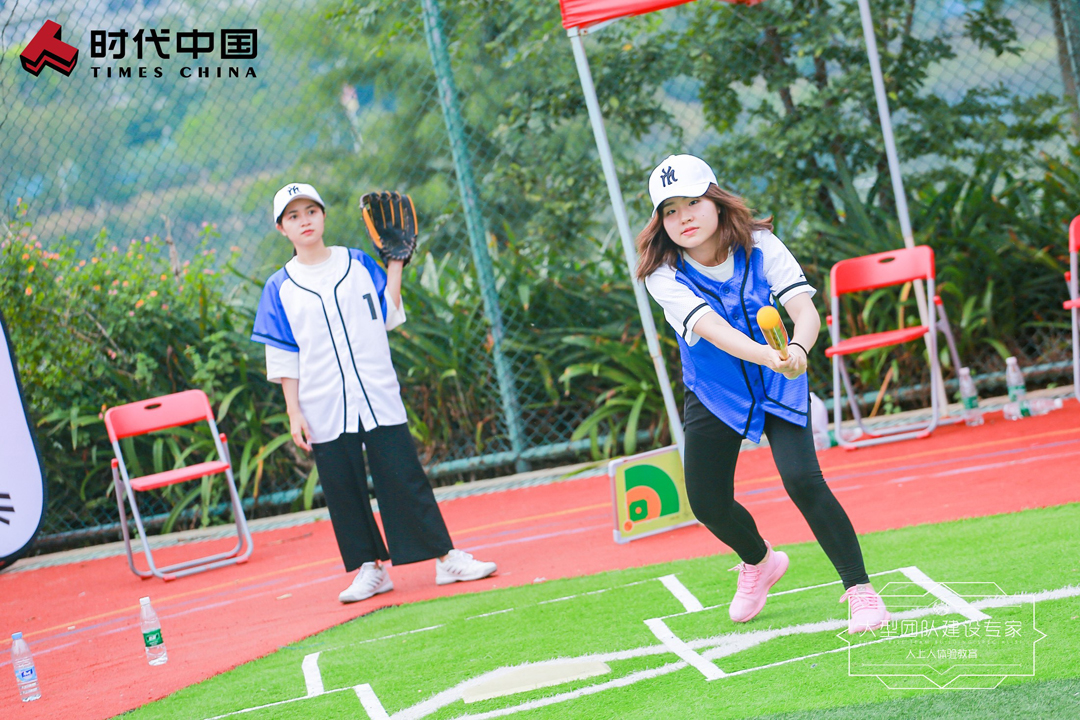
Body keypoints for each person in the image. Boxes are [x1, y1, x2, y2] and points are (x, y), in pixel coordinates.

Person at [637, 155, 889, 633]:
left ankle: (861, 591)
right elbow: (713, 331)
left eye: (693, 203)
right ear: (660, 221)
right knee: (707, 503)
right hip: (716, 391)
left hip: (779, 381)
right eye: (670, 210)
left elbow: (804, 312)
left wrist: (798, 349)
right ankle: (760, 560)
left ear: (716, 202)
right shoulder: (662, 274)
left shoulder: (761, 244)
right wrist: (770, 355)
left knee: (803, 481)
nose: (683, 217)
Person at [251, 182, 497, 603]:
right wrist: (294, 411)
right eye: (293, 216)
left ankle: (445, 558)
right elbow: (284, 355)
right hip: (323, 403)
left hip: (376, 391)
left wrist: (395, 262)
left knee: (404, 476)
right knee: (342, 488)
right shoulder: (280, 287)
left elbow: (387, 313)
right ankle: (370, 569)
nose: (304, 221)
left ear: (323, 215)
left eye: (311, 211)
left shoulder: (356, 263)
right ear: (281, 228)